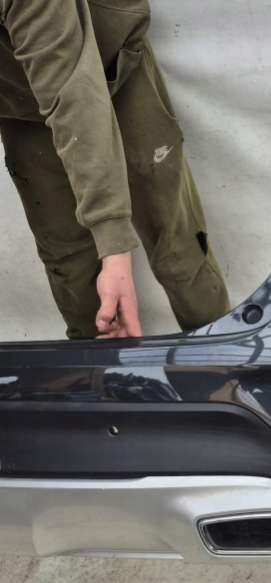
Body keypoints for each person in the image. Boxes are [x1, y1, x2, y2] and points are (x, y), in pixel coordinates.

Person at [0, 0, 230, 339]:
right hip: (18, 102)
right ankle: (99, 363)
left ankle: (219, 351)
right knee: (70, 265)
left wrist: (114, 248)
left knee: (175, 243)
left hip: (109, 63)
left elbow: (73, 92)